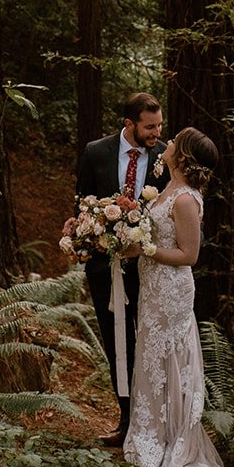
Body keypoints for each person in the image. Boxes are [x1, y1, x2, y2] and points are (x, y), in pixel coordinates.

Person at [122, 127, 234, 467]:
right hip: (153, 288)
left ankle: (170, 444)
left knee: (169, 361)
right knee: (151, 359)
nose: (168, 142)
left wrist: (145, 248)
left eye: (175, 139)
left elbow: (189, 255)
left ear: (184, 155)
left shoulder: (186, 201)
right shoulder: (166, 189)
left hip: (172, 292)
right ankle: (148, 437)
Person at [72, 92, 166, 448]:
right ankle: (126, 420)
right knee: (117, 343)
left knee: (150, 340)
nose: (157, 132)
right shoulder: (96, 152)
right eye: (150, 126)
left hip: (150, 267)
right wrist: (89, 238)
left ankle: (153, 419)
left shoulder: (164, 157)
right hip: (104, 268)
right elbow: (81, 203)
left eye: (159, 125)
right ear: (129, 124)